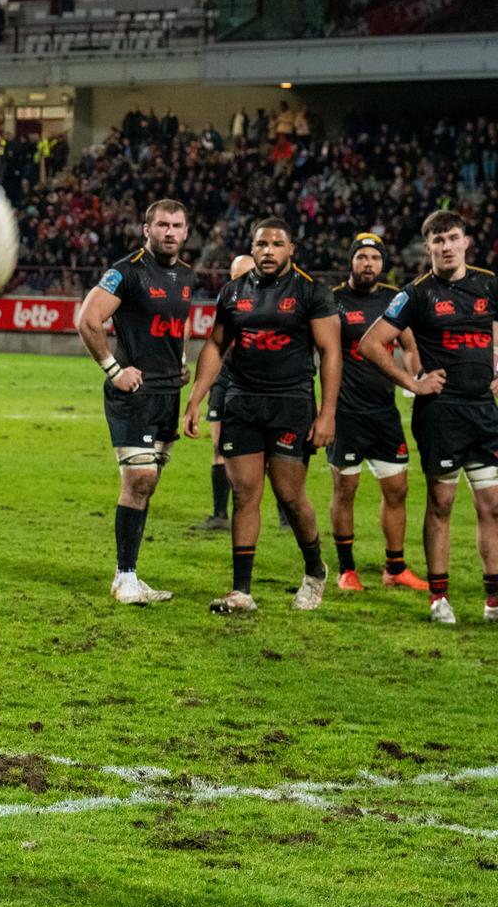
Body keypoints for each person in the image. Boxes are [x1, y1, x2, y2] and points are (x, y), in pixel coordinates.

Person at [184, 218, 341, 614]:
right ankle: (241, 591)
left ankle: (314, 570)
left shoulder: (311, 292)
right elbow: (217, 346)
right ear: (251, 249)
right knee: (245, 494)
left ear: (291, 249)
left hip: (291, 404)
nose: (268, 250)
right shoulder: (234, 292)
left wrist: (328, 415)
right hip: (242, 402)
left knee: (289, 496)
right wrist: (195, 399)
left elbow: (331, 353)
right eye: (261, 244)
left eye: (276, 244)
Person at [358, 210, 498, 624]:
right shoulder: (416, 294)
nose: (447, 246)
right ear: (428, 248)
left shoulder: (488, 284)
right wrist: (412, 381)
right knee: (442, 502)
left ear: (466, 242)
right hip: (440, 414)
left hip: (483, 413)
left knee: (491, 505)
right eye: (438, 241)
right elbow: (371, 344)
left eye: (453, 238)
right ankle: (439, 597)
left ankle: (493, 600)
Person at [76, 199, 196, 604]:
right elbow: (87, 320)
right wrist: (115, 370)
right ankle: (125, 576)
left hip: (167, 394)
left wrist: (180, 361)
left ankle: (127, 574)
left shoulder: (186, 276)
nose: (169, 232)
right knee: (139, 480)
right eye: (161, 224)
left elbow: (174, 328)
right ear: (146, 229)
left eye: (176, 226)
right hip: (133, 393)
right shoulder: (125, 272)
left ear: (185, 232)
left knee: (149, 484)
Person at [326, 233, 428, 594]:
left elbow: (410, 345)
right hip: (345, 414)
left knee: (397, 489)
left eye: (374, 258)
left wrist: (416, 375)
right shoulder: (334, 301)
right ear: (351, 261)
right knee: (345, 489)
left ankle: (395, 567)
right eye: (361, 257)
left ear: (383, 263)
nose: (368, 264)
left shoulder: (393, 300)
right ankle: (346, 569)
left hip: (383, 412)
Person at [194, 253, 257, 531]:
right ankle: (220, 514)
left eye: (248, 276)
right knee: (219, 446)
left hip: (257, 381)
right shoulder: (227, 300)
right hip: (224, 376)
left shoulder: (274, 304)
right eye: (237, 277)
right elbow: (216, 345)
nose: (242, 282)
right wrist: (203, 389)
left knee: (266, 451)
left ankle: (284, 517)